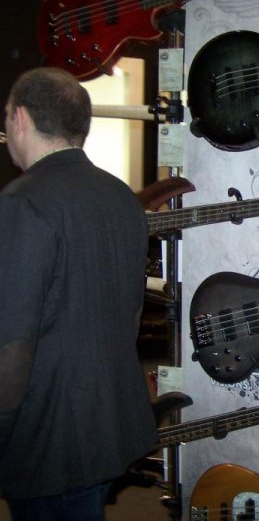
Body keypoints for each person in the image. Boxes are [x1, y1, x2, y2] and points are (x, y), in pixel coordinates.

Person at [0, 67, 157, 520]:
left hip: (47, 437)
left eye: (7, 116)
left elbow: (12, 347)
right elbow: (128, 317)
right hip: (107, 424)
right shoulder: (121, 197)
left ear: (22, 118)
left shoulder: (22, 201)